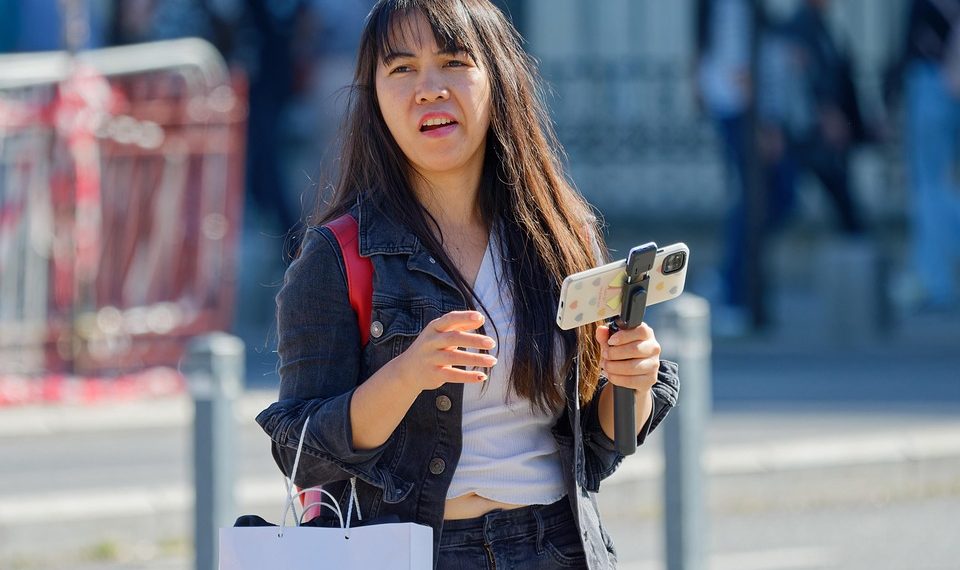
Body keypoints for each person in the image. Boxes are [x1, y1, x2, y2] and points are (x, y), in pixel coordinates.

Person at [255, 1, 680, 568]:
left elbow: (597, 448)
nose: (428, 89)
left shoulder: (559, 233)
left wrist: (633, 378)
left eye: (453, 61)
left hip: (554, 544)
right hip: (413, 551)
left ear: (497, 78)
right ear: (375, 96)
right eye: (401, 69)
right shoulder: (337, 255)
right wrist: (408, 374)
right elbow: (301, 452)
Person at [898, 0, 960, 310]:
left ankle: (933, 279)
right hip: (944, 79)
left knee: (929, 185)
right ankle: (931, 276)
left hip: (932, 79)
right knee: (936, 184)